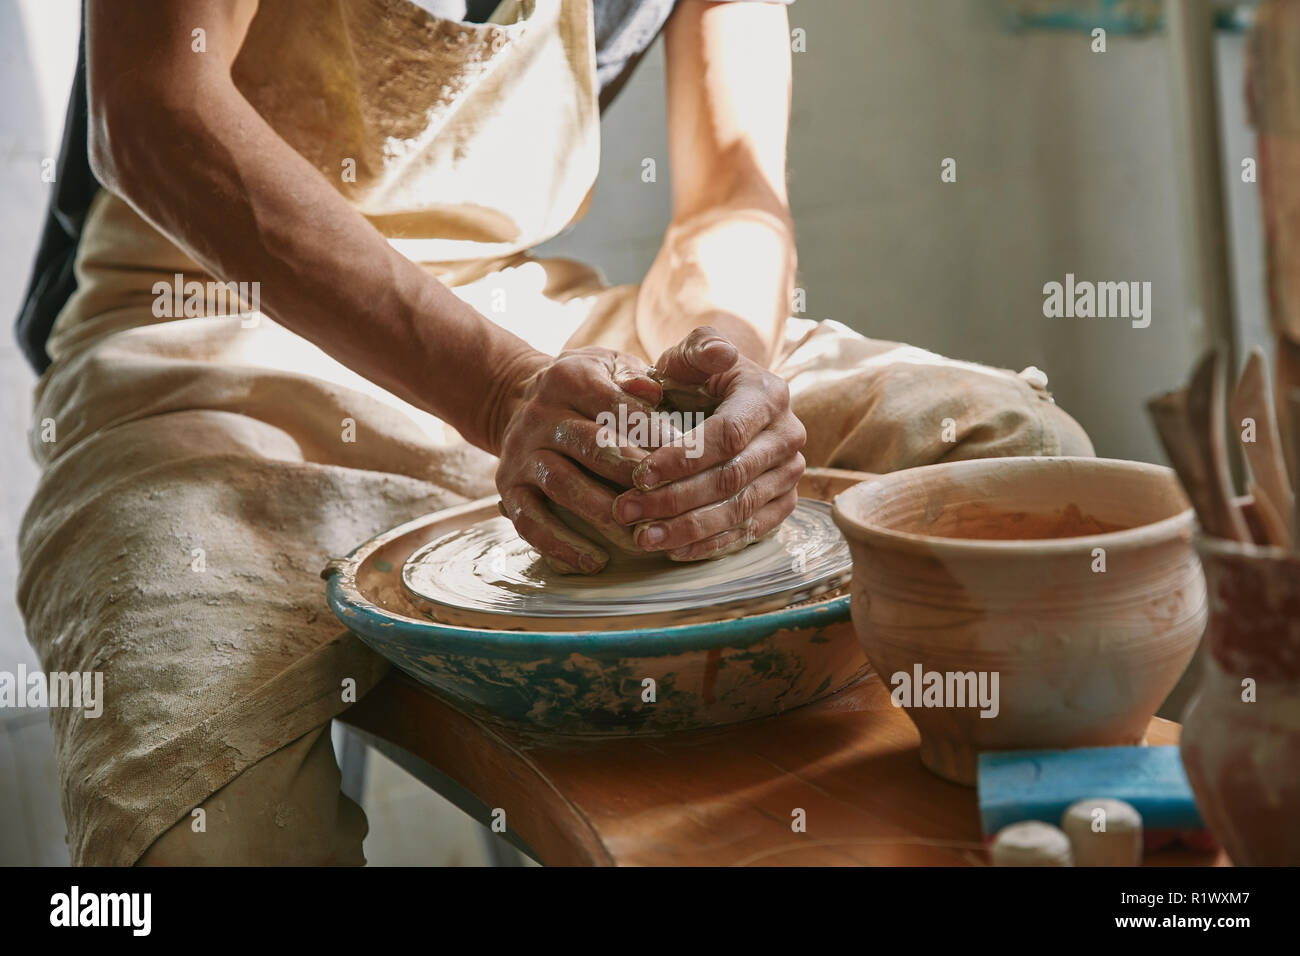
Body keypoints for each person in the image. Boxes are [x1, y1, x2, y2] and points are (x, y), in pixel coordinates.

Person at [16, 0, 1092, 865]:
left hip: (516, 308)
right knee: (202, 820)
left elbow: (729, 196)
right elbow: (152, 107)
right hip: (206, 328)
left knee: (1017, 463)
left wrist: (725, 375)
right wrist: (497, 395)